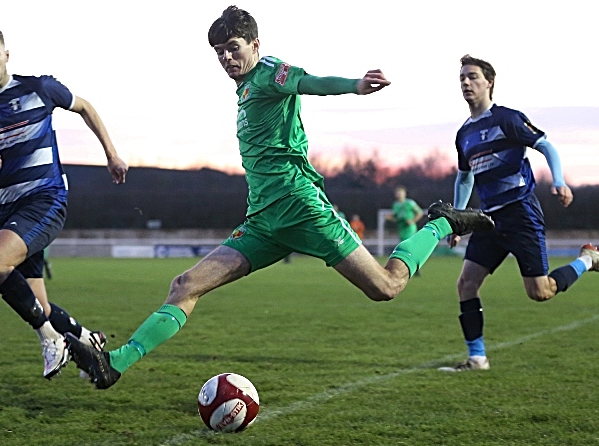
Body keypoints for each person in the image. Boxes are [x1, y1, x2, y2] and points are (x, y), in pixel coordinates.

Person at [66, 6, 494, 389]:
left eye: (233, 48)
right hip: (263, 223)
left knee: (386, 287)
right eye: (218, 52)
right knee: (185, 284)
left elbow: (309, 82)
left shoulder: (270, 70)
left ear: (255, 44)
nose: (226, 58)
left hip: (303, 209)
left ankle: (441, 221)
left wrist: (354, 85)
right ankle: (114, 364)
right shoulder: (245, 88)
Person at [0, 27, 128, 379]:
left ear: (7, 54)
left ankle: (51, 339)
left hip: (44, 199)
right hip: (4, 209)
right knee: (41, 305)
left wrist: (111, 155)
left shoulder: (39, 88)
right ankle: (90, 345)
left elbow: (85, 107)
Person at [438, 54, 599, 372]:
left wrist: (559, 181)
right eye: (462, 78)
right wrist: (458, 218)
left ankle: (589, 260)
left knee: (541, 292)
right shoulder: (463, 134)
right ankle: (477, 358)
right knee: (466, 284)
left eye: (473, 77)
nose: (466, 82)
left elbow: (546, 146)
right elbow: (465, 177)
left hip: (520, 212)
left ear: (489, 82)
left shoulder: (507, 119)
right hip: (486, 220)